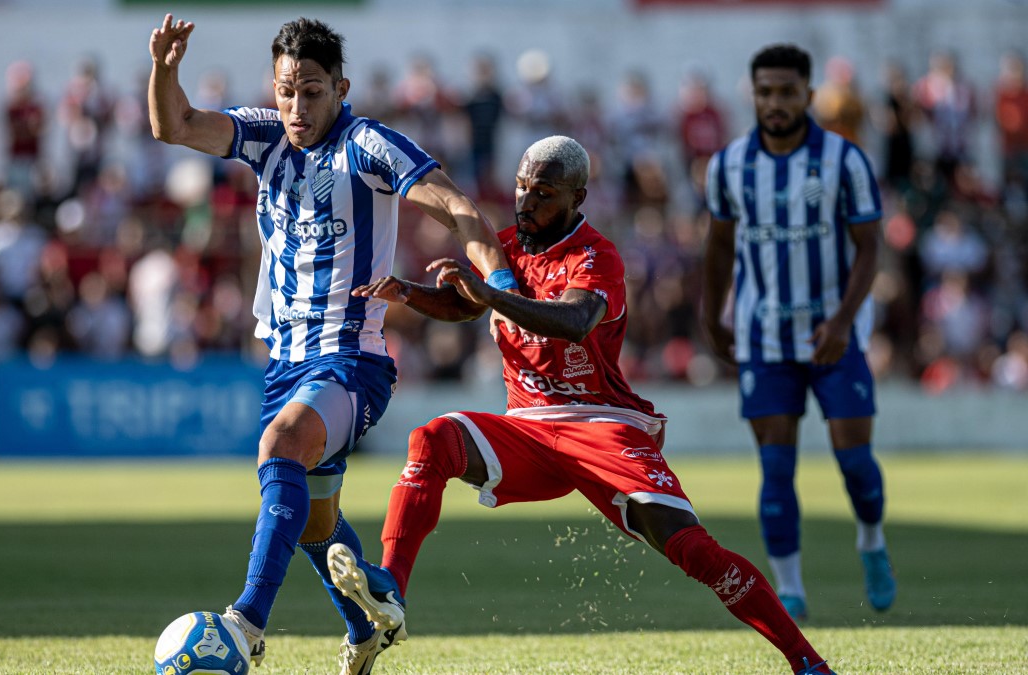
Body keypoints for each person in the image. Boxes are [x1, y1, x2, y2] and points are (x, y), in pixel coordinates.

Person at [326, 136, 838, 675]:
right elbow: (463, 304)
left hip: (602, 425)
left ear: (578, 197)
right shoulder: (509, 245)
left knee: (693, 550)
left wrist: (490, 295)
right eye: (522, 188)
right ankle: (391, 590)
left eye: (543, 193)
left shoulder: (598, 257)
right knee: (431, 440)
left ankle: (807, 662)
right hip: (526, 428)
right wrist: (408, 293)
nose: (526, 201)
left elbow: (572, 323)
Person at [147, 14, 515, 675]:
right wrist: (165, 69)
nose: (296, 105)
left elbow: (456, 205)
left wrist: (503, 282)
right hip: (285, 361)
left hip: (352, 360)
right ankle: (368, 620)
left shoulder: (370, 143)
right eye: (287, 89)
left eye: (311, 91)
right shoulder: (263, 136)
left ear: (340, 89)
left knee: (282, 443)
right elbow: (173, 125)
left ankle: (245, 624)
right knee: (317, 525)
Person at [701, 44, 896, 622]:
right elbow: (717, 247)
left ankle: (872, 540)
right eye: (766, 92)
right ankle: (790, 590)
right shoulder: (729, 165)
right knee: (776, 471)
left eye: (787, 92)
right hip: (763, 338)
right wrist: (713, 317)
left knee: (855, 462)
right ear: (753, 95)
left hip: (835, 336)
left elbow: (870, 249)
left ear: (808, 95)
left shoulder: (845, 160)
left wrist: (841, 322)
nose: (776, 103)